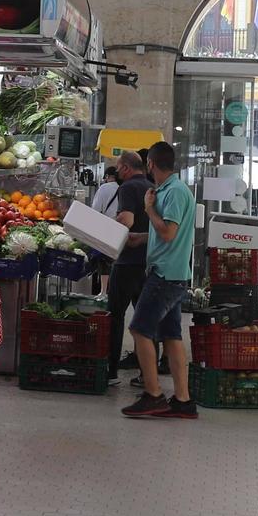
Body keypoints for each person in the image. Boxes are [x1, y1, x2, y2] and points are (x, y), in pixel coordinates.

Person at [122, 141, 198, 419]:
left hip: (166, 275)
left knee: (140, 330)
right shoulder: (168, 190)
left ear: (151, 164)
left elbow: (168, 233)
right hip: (171, 272)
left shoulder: (174, 192)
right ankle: (183, 400)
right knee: (171, 336)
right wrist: (140, 238)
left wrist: (148, 210)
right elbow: (164, 234)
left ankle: (153, 394)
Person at [106, 149, 154, 382]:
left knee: (114, 317)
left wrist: (103, 225)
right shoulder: (151, 188)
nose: (117, 172)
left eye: (118, 167)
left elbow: (127, 221)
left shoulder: (126, 188)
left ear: (125, 168)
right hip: (149, 262)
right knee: (145, 320)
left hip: (127, 262)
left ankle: (111, 371)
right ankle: (147, 375)